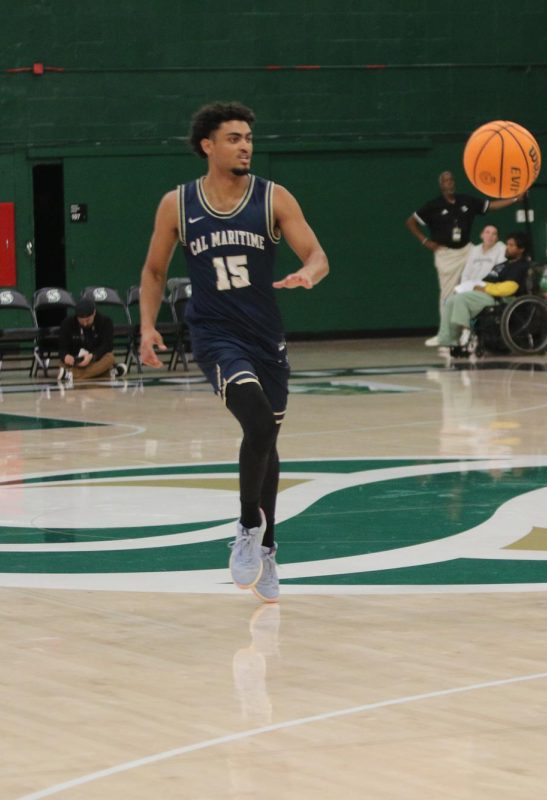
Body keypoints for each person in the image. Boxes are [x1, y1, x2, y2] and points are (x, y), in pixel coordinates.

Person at [138, 101, 330, 604]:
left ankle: (267, 547)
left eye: (248, 137)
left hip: (266, 337)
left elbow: (317, 253)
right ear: (207, 145)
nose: (245, 145)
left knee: (267, 443)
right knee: (260, 425)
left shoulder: (272, 198)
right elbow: (155, 271)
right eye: (233, 138)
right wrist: (146, 327)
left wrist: (310, 271)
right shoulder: (177, 204)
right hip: (215, 335)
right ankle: (248, 526)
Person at [405, 171, 523, 334]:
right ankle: (448, 333)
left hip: (466, 249)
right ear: (441, 185)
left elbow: (491, 206)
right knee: (449, 294)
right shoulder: (434, 205)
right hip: (446, 253)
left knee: (477, 282)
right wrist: (425, 241)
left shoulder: (466, 200)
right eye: (446, 181)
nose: (450, 183)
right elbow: (411, 222)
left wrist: (515, 198)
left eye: (451, 180)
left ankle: (474, 331)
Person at [433, 231, 531, 354]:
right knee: (451, 300)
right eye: (507, 244)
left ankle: (466, 333)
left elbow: (510, 288)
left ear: (521, 249)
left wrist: (485, 288)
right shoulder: (503, 265)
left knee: (460, 300)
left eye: (511, 245)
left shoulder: (520, 266)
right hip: (484, 293)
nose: (507, 247)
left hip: (499, 298)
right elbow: (488, 281)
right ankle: (448, 341)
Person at [56, 296, 126, 382]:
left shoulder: (105, 322)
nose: (85, 324)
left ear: (94, 313)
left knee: (110, 358)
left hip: (95, 359)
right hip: (76, 361)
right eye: (82, 321)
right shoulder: (67, 323)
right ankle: (107, 372)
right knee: (61, 363)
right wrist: (66, 356)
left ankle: (71, 374)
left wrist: (92, 356)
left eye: (88, 320)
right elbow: (62, 349)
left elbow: (107, 346)